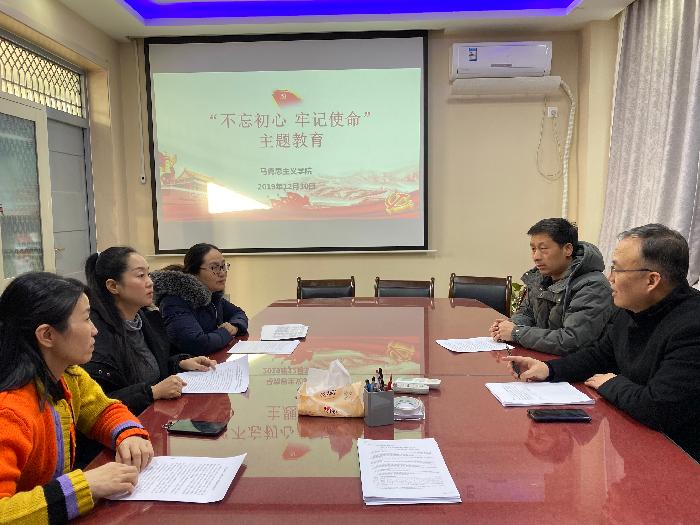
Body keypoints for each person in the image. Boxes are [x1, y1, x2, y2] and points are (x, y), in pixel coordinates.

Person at [506, 224, 700, 462]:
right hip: (636, 442)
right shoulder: (631, 309)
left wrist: (612, 383)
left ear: (651, 280)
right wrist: (549, 369)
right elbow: (600, 355)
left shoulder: (692, 326)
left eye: (617, 270)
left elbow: (659, 407)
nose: (610, 279)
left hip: (681, 458)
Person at [0, 272, 154, 523]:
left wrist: (129, 434)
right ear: (47, 335)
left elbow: (102, 410)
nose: (95, 330)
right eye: (86, 319)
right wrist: (86, 486)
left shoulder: (68, 374)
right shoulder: (10, 411)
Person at [83, 247, 216, 416]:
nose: (150, 282)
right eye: (140, 275)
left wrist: (180, 363)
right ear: (113, 286)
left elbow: (154, 368)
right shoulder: (95, 335)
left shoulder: (146, 318)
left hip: (156, 415)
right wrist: (152, 392)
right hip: (125, 426)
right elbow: (95, 405)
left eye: (148, 273)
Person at [490, 218, 612, 355]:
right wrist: (508, 326)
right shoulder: (540, 278)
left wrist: (516, 332)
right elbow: (526, 313)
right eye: (533, 249)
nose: (536, 257)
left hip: (575, 364)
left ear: (567, 249)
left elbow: (572, 341)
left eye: (543, 249)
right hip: (542, 357)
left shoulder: (593, 286)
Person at [151, 243, 248, 355]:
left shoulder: (212, 295)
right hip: (191, 364)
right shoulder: (174, 302)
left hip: (213, 359)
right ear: (194, 273)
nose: (222, 273)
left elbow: (238, 313)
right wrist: (226, 332)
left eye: (223, 266)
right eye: (214, 267)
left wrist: (235, 326)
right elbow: (197, 344)